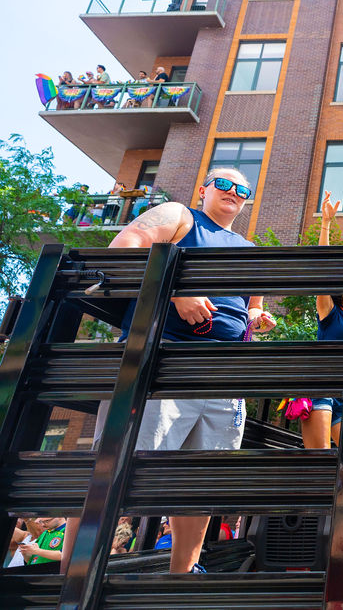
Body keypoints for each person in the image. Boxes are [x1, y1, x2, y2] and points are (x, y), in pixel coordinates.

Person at [61, 167, 277, 576]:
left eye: (242, 189)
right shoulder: (180, 216)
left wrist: (256, 316)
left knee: (201, 483)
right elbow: (123, 248)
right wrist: (175, 289)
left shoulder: (248, 247)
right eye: (224, 184)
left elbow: (252, 304)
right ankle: (75, 580)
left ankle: (182, 578)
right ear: (203, 190)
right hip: (163, 362)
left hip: (224, 377)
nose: (233, 192)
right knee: (118, 466)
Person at [301, 191, 343, 450]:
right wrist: (326, 224)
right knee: (319, 458)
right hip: (322, 386)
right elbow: (323, 268)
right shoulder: (330, 310)